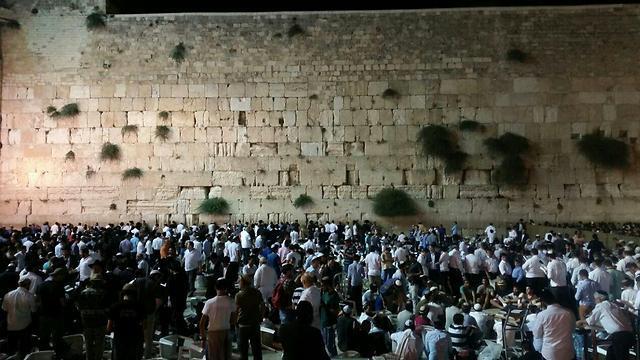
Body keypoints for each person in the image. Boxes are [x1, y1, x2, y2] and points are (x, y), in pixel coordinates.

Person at [580, 290, 634, 360]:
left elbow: (590, 321)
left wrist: (578, 322)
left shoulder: (601, 306)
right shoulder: (614, 305)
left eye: (595, 298)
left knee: (620, 357)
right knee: (610, 353)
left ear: (600, 298)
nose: (595, 301)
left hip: (619, 336)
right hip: (629, 335)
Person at [531, 289, 575, 360]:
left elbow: (537, 334)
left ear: (543, 302)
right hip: (568, 352)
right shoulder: (569, 313)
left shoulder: (542, 315)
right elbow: (572, 329)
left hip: (550, 353)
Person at [199, 278, 236, 360]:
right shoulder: (231, 302)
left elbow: (201, 323)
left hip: (212, 334)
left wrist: (203, 338)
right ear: (226, 288)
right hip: (226, 332)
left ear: (215, 287)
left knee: (213, 356)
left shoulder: (209, 302)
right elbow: (233, 320)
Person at [108, 283, 145, 360]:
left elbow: (109, 327)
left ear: (122, 293)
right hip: (135, 339)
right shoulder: (140, 307)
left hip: (119, 339)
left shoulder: (115, 306)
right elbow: (145, 325)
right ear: (135, 293)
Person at [77, 273, 110, 360]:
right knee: (99, 344)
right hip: (100, 323)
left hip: (87, 322)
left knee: (88, 344)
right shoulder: (104, 293)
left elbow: (79, 307)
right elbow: (107, 309)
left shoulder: (83, 293)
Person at [2, 277, 36, 359]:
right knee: (23, 347)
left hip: (11, 324)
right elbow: (34, 310)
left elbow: (4, 309)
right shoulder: (30, 296)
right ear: (28, 285)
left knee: (11, 346)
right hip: (25, 325)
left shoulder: (8, 294)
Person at [36, 267, 66, 352]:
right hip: (55, 314)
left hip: (43, 314)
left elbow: (37, 301)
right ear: (59, 276)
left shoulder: (41, 285)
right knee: (56, 336)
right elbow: (63, 302)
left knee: (44, 335)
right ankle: (57, 352)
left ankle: (43, 353)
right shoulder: (59, 286)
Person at [235, 275, 264, 360]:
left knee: (243, 350)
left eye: (239, 282)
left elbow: (236, 310)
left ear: (242, 283)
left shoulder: (239, 295)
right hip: (255, 323)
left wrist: (234, 321)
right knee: (256, 349)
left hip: (243, 324)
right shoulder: (257, 293)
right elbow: (263, 305)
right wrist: (261, 316)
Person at [320, 276, 340, 357]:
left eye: (323, 285)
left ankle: (334, 357)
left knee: (329, 344)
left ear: (327, 285)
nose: (321, 287)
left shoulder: (334, 295)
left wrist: (325, 307)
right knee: (326, 343)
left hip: (329, 322)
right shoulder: (323, 292)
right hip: (322, 321)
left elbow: (336, 310)